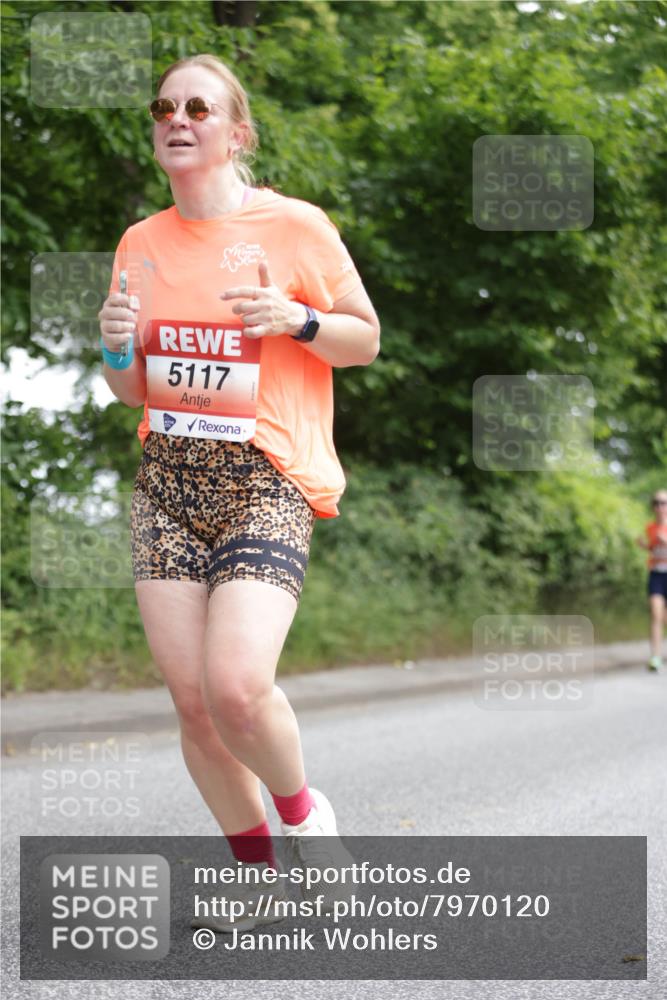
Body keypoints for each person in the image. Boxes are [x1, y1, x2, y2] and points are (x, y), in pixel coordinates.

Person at [97, 54, 380, 929]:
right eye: (164, 107)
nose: (177, 119)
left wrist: (297, 319)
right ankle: (255, 875)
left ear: (236, 132)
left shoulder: (293, 226)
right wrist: (113, 346)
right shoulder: (140, 242)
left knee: (235, 686)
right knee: (193, 705)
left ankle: (303, 815)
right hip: (169, 483)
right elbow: (131, 391)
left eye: (198, 107)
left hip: (264, 476)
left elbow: (364, 340)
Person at [635, 489, 667, 672]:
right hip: (656, 575)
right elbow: (654, 549)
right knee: (656, 614)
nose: (660, 506)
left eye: (663, 503)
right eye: (656, 503)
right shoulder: (650, 528)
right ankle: (656, 656)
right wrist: (645, 546)